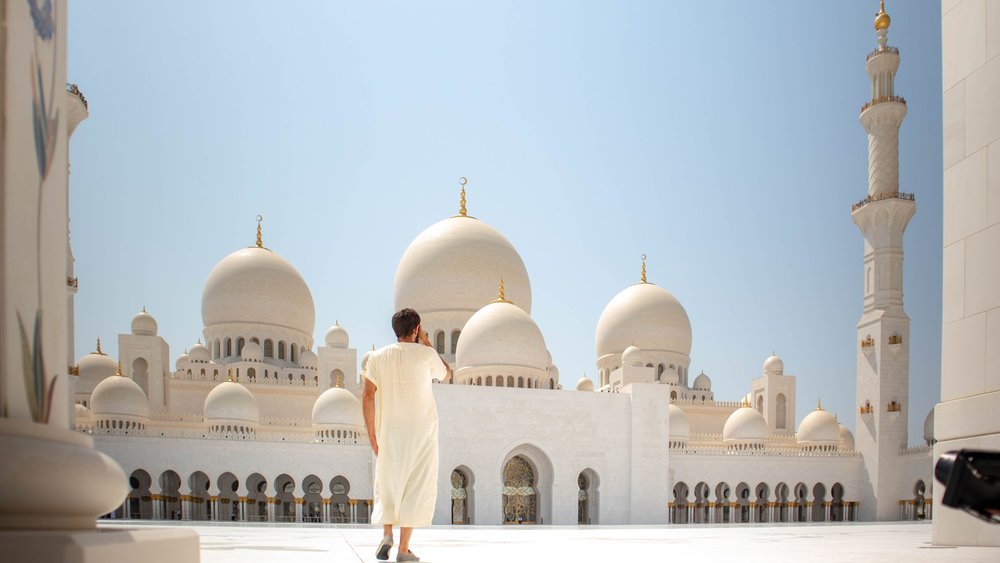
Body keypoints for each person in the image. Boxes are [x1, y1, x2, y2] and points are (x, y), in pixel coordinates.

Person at [363, 308, 452, 562]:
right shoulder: (426, 355)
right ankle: (403, 550)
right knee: (416, 486)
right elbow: (447, 374)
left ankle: (387, 534)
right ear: (416, 329)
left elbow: (368, 395)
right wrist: (426, 343)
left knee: (388, 483)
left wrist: (371, 433)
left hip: (388, 432)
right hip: (421, 433)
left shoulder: (377, 358)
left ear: (395, 329)